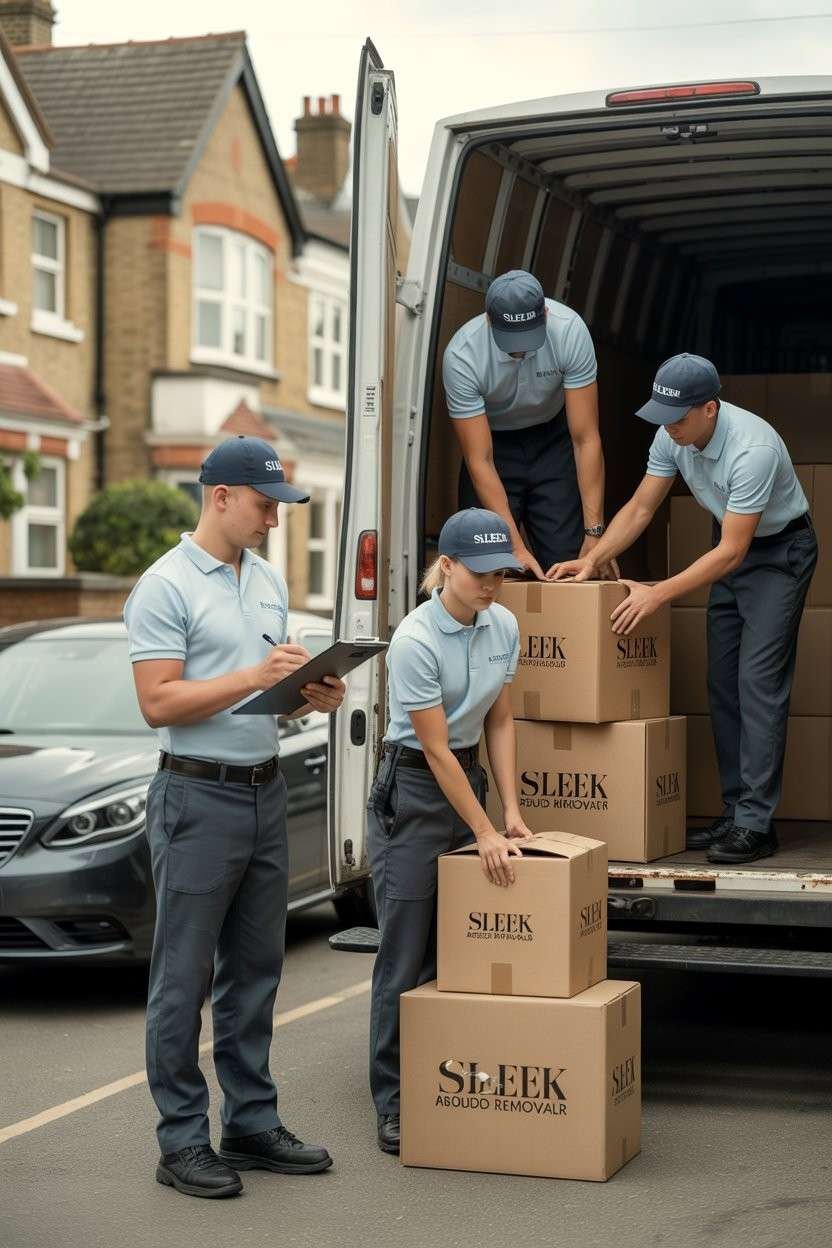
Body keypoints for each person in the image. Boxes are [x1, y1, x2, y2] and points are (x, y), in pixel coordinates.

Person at [124, 435, 346, 1200]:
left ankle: (249, 1122)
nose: (274, 522)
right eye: (264, 506)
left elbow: (263, 697)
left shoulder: (267, 581)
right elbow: (157, 700)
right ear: (220, 497)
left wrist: (311, 692)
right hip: (196, 797)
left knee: (255, 975)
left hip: (263, 788)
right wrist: (254, 674)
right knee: (182, 979)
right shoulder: (164, 586)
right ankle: (180, 1140)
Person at [550, 354, 817, 865]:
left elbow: (735, 552)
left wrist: (655, 592)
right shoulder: (671, 433)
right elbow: (642, 507)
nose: (667, 428)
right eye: (662, 417)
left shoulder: (752, 449)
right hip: (731, 545)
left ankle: (756, 825)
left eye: (677, 418)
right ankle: (736, 809)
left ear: (710, 410)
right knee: (721, 683)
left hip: (777, 552)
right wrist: (592, 559)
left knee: (757, 684)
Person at [368, 507, 534, 1156]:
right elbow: (435, 751)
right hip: (412, 789)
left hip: (468, 781)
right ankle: (395, 1101)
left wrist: (511, 811)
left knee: (455, 951)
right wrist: (484, 832)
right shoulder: (414, 640)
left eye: (502, 573)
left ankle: (451, 1081)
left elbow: (499, 721)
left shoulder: (505, 625)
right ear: (448, 566)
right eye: (482, 573)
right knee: (405, 956)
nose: (493, 585)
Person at [442, 268, 616, 580]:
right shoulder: (462, 355)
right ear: (489, 320)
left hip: (553, 439)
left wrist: (595, 533)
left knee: (568, 564)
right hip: (494, 447)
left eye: (528, 338)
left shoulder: (569, 331)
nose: (520, 349)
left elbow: (585, 438)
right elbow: (479, 459)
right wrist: (514, 545)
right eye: (510, 340)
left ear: (545, 314)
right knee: (483, 560)